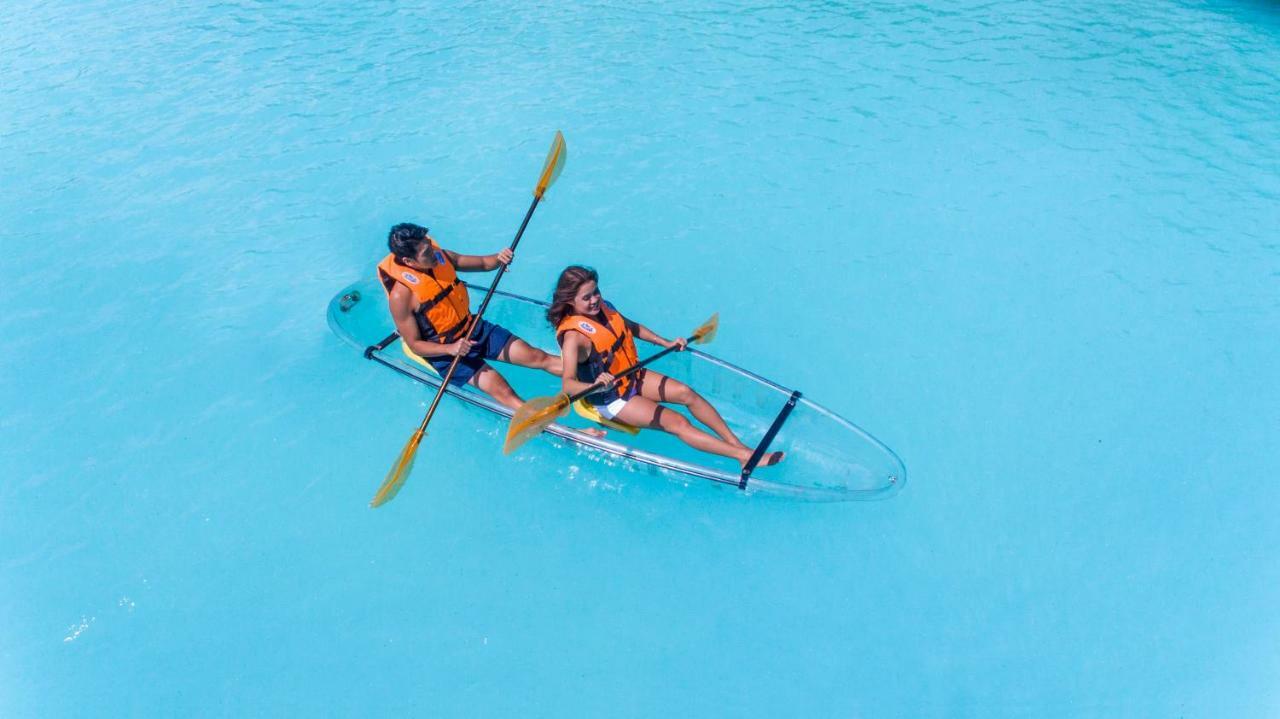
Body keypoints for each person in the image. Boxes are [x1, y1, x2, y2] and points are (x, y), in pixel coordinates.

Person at [547, 265, 784, 469]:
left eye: (595, 292)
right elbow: (567, 384)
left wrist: (665, 342)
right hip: (611, 399)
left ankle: (738, 446)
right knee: (677, 423)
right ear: (570, 301)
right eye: (586, 298)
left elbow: (631, 327)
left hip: (633, 376)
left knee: (686, 393)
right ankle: (746, 457)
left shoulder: (604, 309)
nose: (594, 300)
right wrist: (595, 385)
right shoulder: (574, 338)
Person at [378, 223, 601, 435]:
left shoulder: (440, 255)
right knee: (505, 393)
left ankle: (602, 381)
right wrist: (451, 349)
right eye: (425, 252)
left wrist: (499, 258)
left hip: (474, 328)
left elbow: (485, 263)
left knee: (537, 356)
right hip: (448, 353)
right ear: (409, 261)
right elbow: (416, 345)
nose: (432, 252)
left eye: (429, 243)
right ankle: (567, 431)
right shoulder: (401, 296)